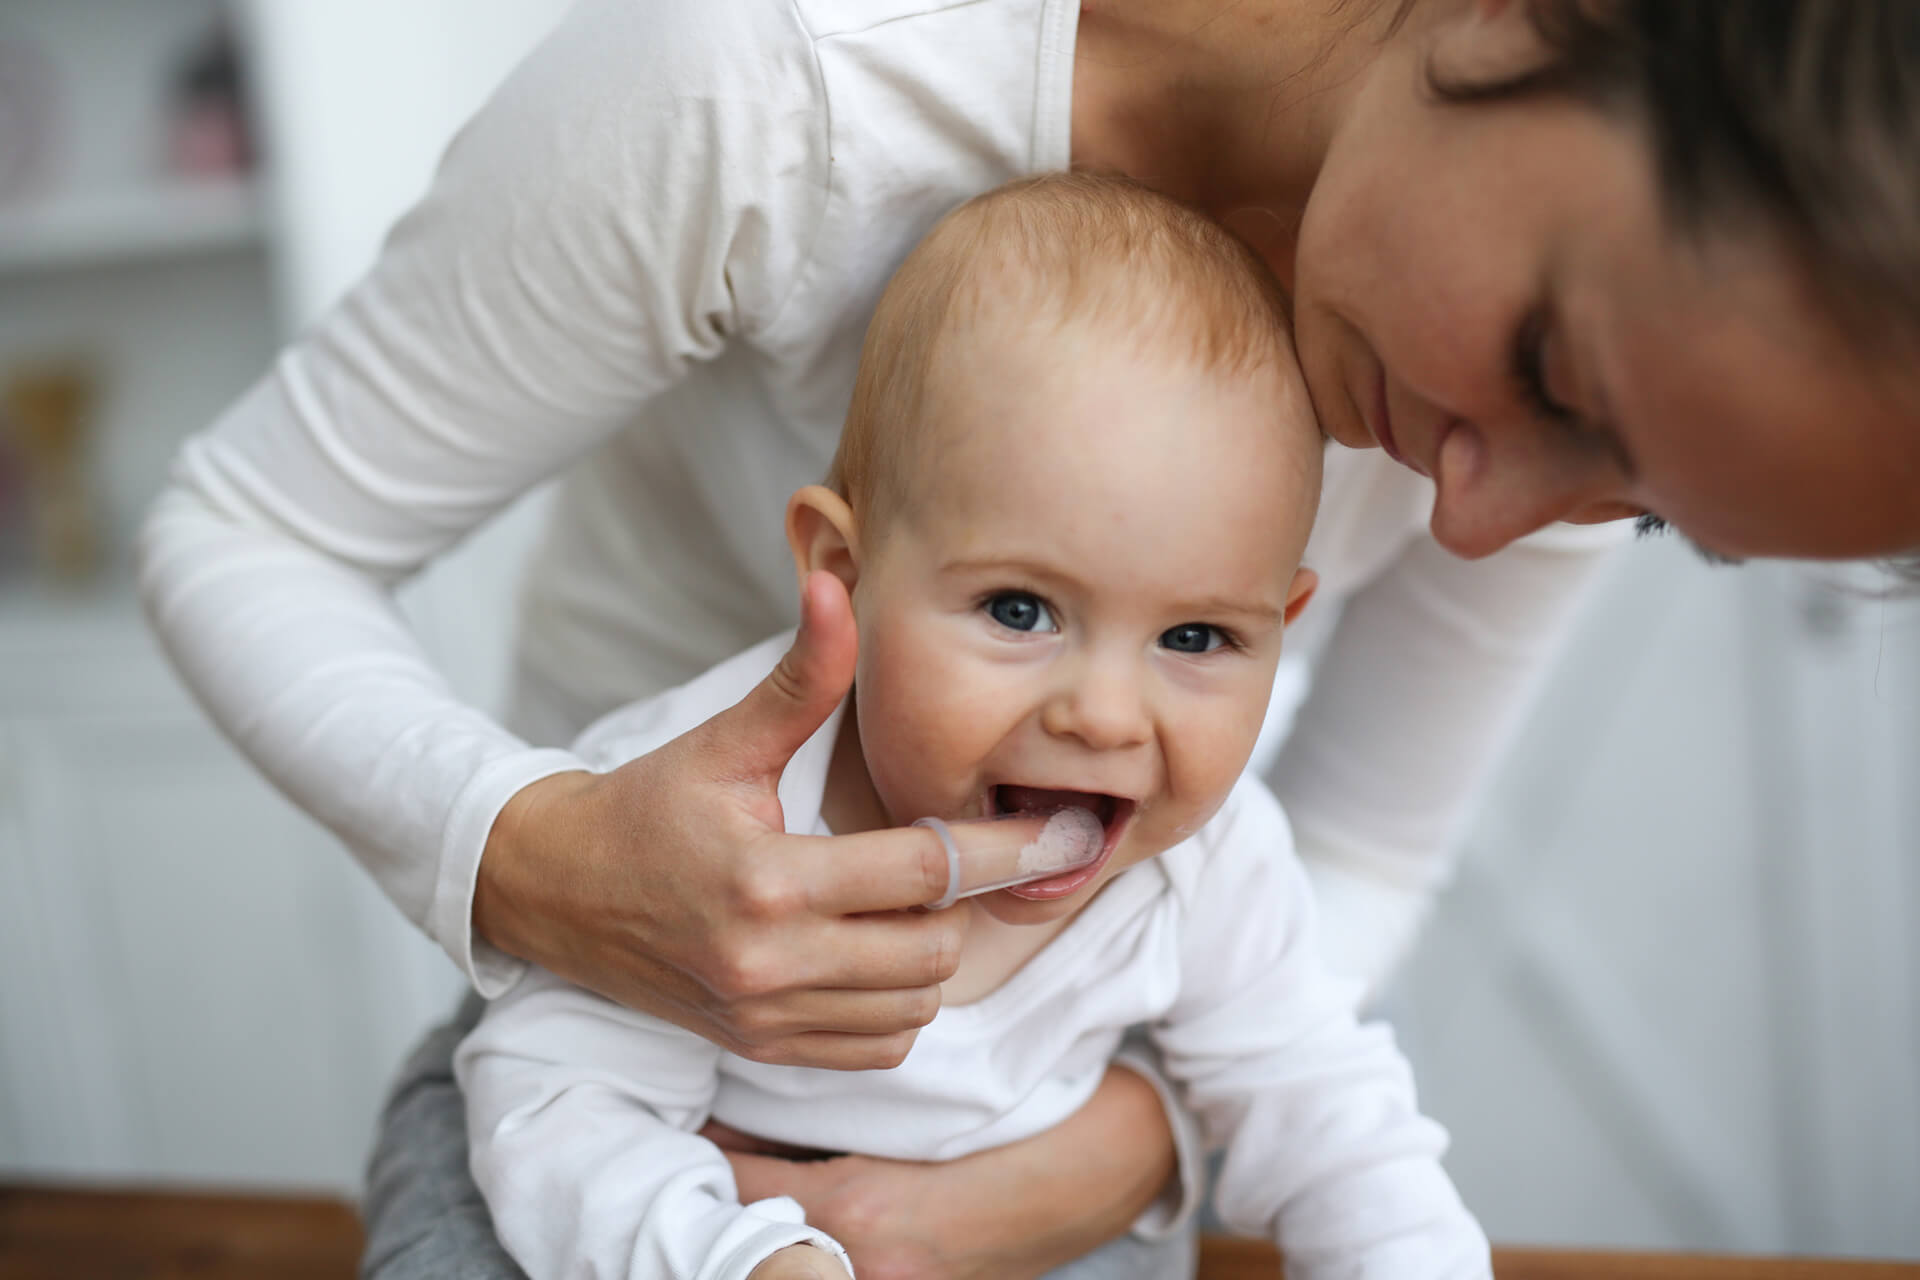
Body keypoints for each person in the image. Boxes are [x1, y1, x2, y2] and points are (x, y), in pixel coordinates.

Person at [135, 0, 1920, 1275]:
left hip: (1063, 1095)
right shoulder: (778, 84)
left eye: (1650, 505)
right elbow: (247, 533)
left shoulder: (1557, 450)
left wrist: (1087, 1170)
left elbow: (1355, 876)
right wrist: (532, 862)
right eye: (1551, 374)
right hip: (625, 1018)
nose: (1475, 521)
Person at [455, 171, 1489, 1280]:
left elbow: (1333, 1116)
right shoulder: (704, 817)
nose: (1102, 715)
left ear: (1281, 626)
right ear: (846, 577)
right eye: (1018, 610)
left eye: (1194, 638)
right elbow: (557, 1111)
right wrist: (748, 1259)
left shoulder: (1215, 863)